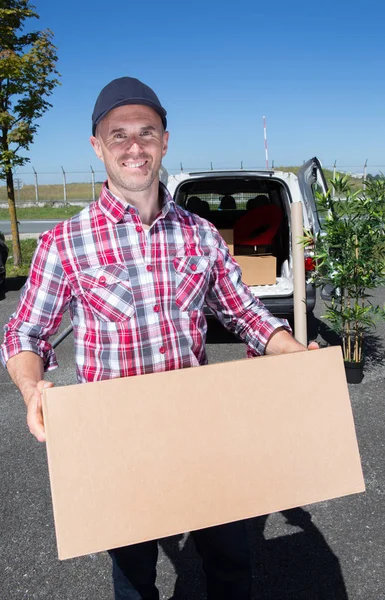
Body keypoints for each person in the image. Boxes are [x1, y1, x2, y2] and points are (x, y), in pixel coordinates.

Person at [1, 77, 318, 600]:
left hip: (199, 426)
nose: (134, 146)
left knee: (232, 562)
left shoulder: (200, 235)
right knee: (133, 575)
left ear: (165, 141)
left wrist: (295, 355)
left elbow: (246, 314)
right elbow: (25, 330)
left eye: (146, 132)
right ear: (97, 146)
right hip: (115, 438)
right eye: (118, 134)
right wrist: (32, 389)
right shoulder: (64, 243)